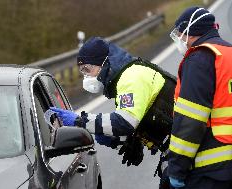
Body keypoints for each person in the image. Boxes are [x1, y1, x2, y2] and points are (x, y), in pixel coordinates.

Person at [50, 36, 176, 178]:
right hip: (177, 146)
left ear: (103, 63)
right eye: (82, 72)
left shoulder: (131, 77)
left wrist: (80, 121)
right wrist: (122, 140)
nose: (86, 77)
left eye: (88, 69)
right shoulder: (123, 77)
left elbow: (124, 122)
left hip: (187, 145)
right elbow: (138, 119)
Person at [168, 7, 232, 189]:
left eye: (180, 35)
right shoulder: (231, 54)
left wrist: (176, 168)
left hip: (211, 169)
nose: (180, 40)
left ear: (190, 33)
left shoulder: (200, 59)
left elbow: (190, 121)